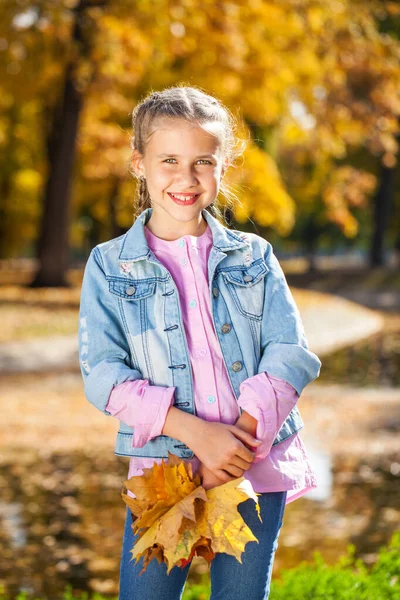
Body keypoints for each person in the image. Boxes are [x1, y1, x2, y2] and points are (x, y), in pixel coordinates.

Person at [78, 85, 322, 600]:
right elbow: (103, 373)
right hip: (164, 469)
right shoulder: (108, 264)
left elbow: (290, 354)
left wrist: (236, 443)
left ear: (223, 167)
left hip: (253, 465)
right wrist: (199, 436)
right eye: (169, 159)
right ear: (139, 162)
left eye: (202, 162)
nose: (186, 178)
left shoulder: (254, 256)